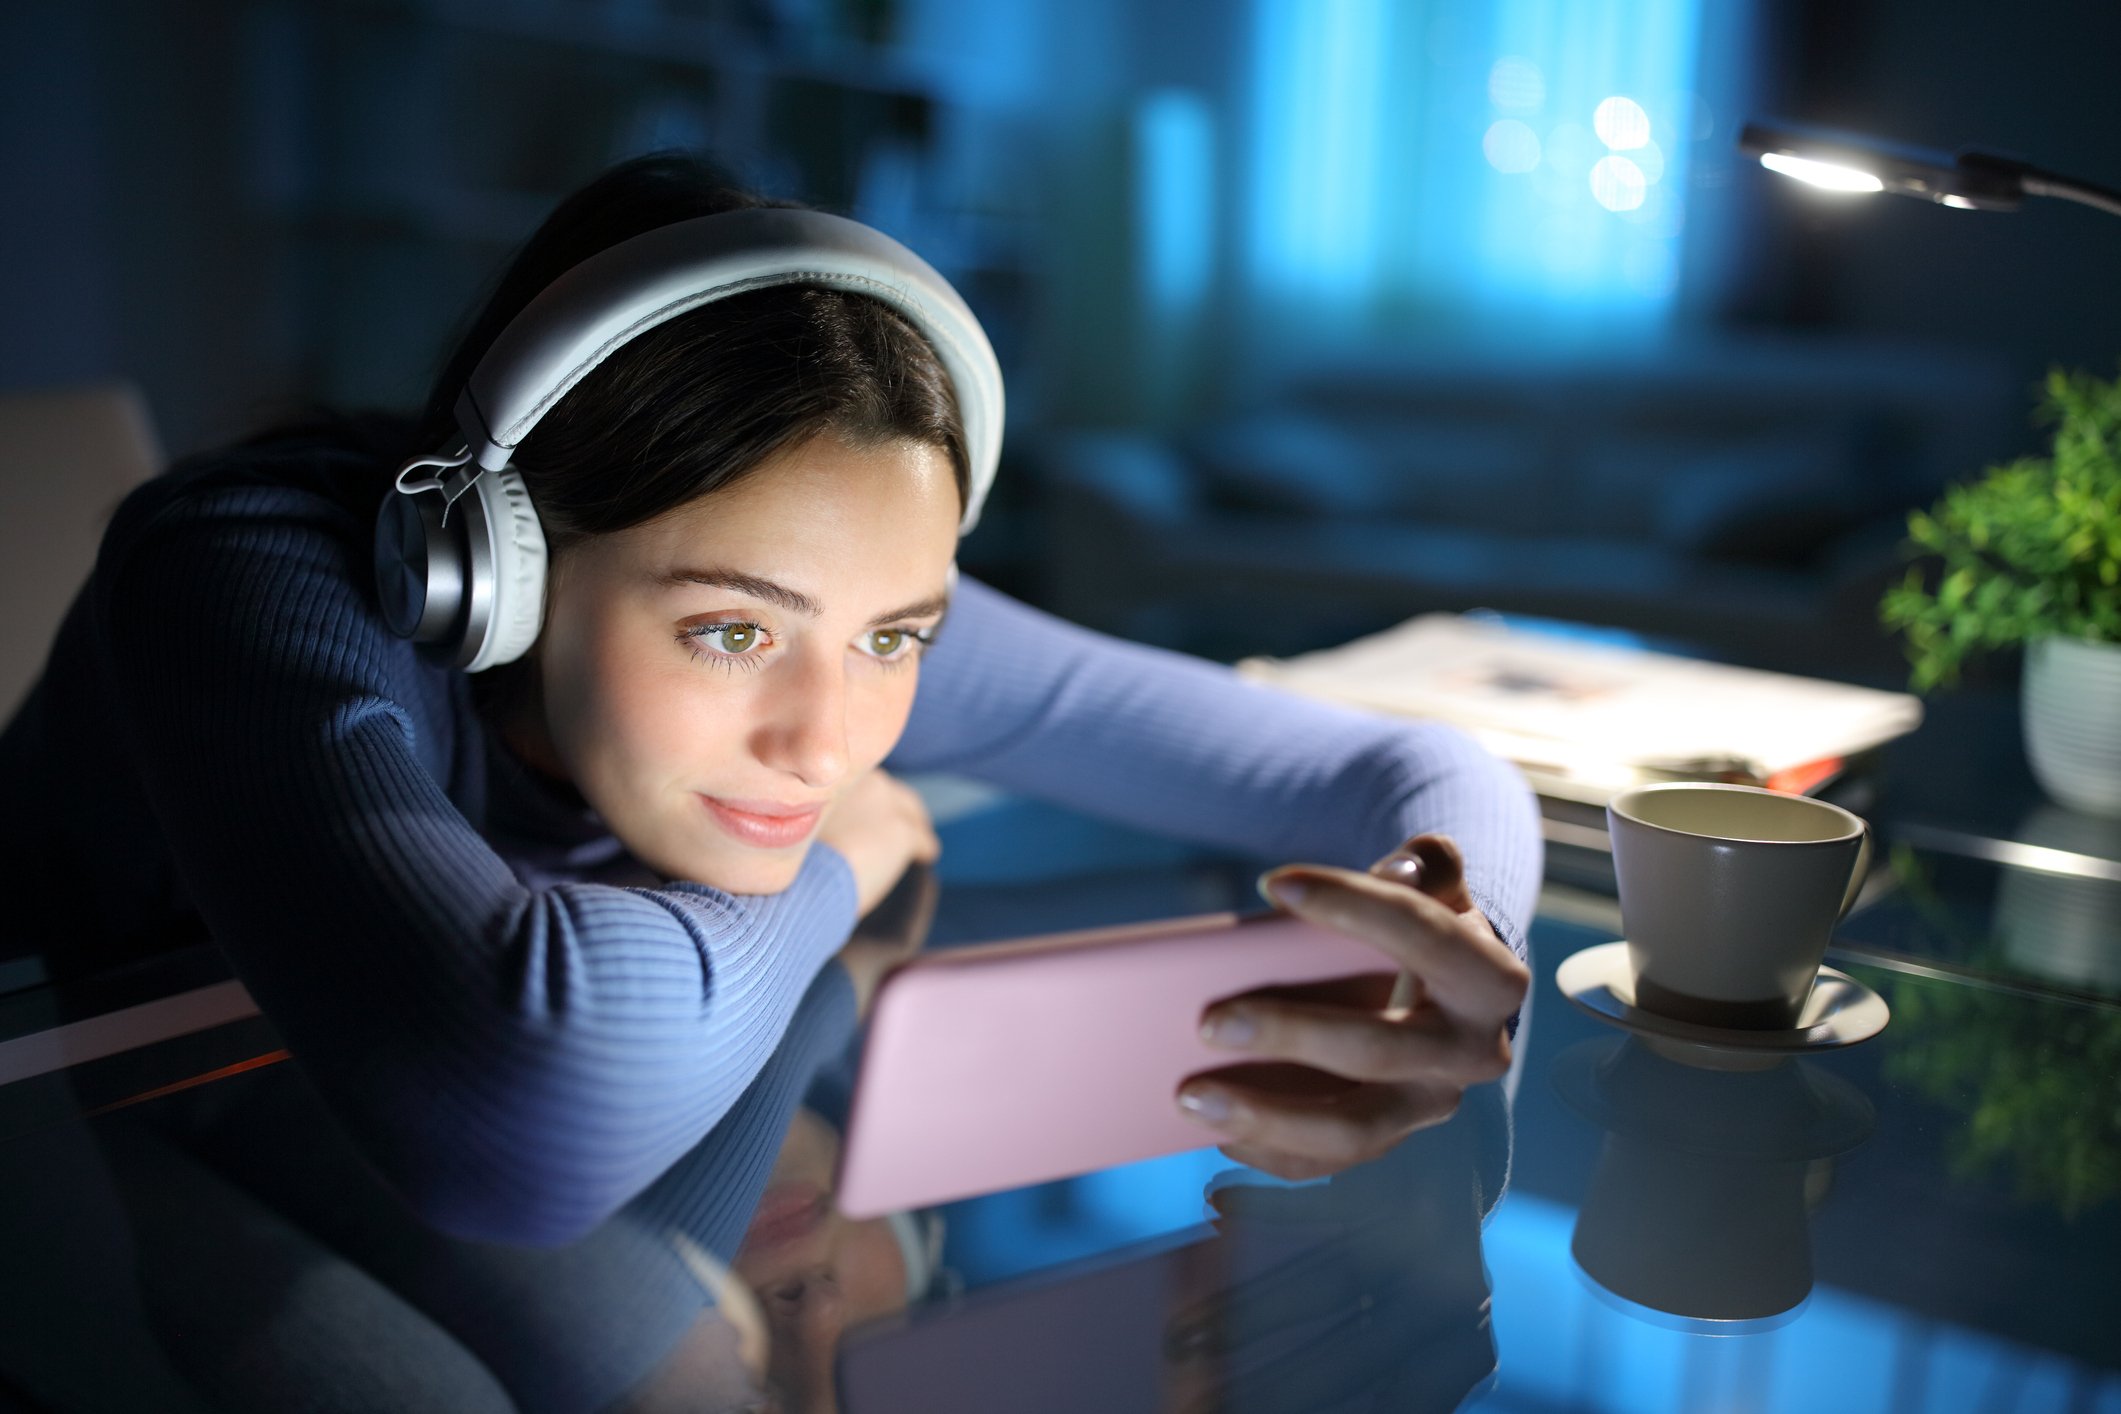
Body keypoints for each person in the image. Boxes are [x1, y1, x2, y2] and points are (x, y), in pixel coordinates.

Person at [0, 151, 1542, 1253]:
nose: (826, 737)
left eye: (894, 636)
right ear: (503, 569)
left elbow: (1410, 769)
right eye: (733, 633)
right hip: (95, 1102)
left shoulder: (837, 593)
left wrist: (1444, 946)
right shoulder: (244, 570)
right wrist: (843, 862)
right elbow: (522, 1122)